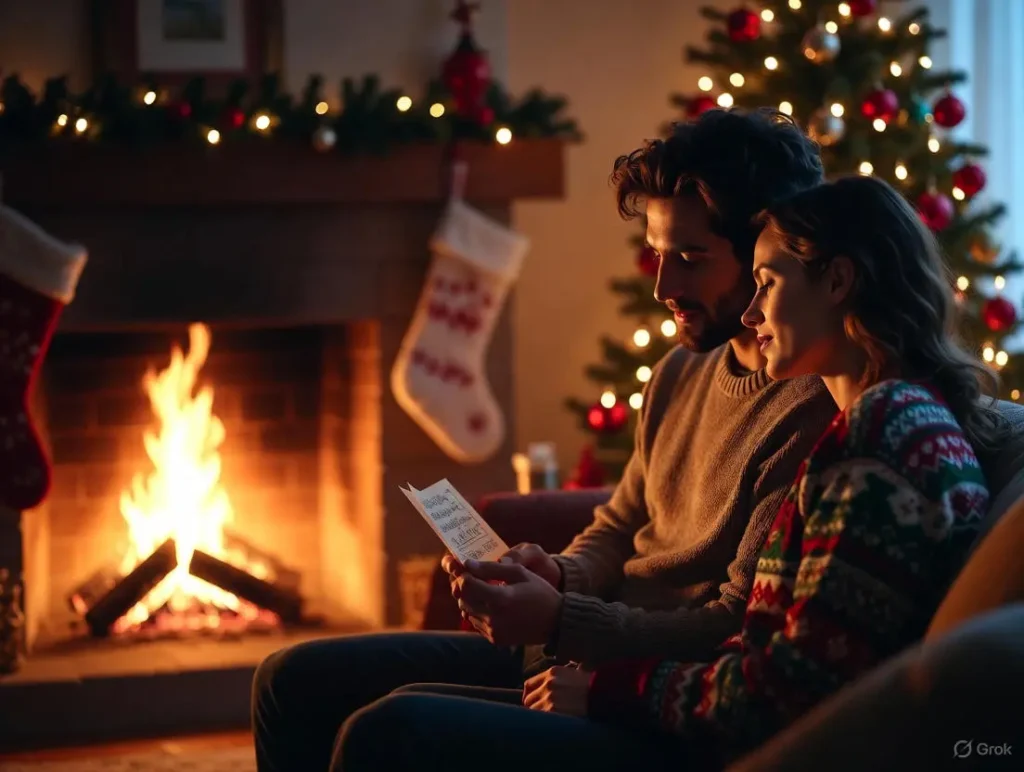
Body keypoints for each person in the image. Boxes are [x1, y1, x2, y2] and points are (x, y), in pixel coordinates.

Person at [252, 108, 838, 771]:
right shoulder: (683, 369)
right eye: (656, 254)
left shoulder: (812, 410)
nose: (663, 287)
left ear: (770, 250)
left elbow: (733, 627)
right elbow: (621, 524)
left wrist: (560, 618)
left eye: (691, 259)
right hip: (579, 646)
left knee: (387, 731)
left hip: (649, 702)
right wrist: (559, 572)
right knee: (290, 679)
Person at [520, 175, 997, 768]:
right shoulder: (879, 425)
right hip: (693, 712)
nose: (750, 313)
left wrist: (610, 689)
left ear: (838, 281)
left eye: (766, 285)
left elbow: (788, 690)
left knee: (399, 726)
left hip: (736, 745)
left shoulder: (885, 433)